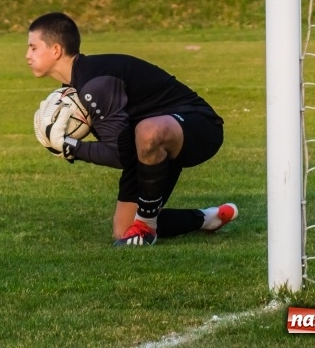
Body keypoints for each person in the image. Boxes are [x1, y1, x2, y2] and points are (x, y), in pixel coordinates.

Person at [26, 12, 237, 246]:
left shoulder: (95, 85)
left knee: (148, 131)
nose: (28, 55)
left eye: (33, 48)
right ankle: (207, 218)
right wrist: (67, 146)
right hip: (147, 147)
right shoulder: (76, 86)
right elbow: (125, 154)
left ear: (56, 50)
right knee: (124, 232)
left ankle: (146, 226)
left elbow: (118, 155)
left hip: (197, 125)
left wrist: (71, 147)